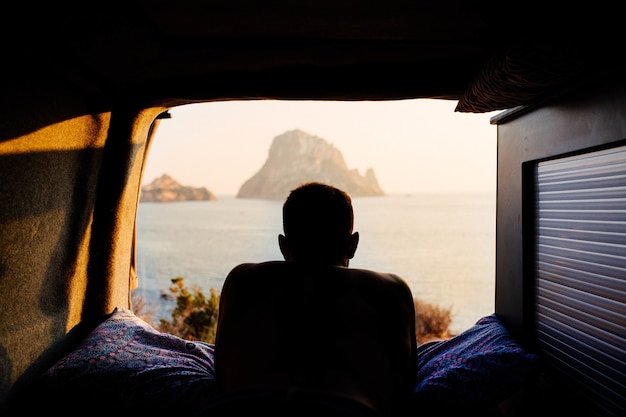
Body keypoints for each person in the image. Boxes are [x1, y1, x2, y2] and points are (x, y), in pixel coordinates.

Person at [210, 182, 418, 417]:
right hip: (351, 416)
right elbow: (406, 381)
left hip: (238, 414)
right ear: (353, 244)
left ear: (282, 245)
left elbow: (221, 370)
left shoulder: (242, 279)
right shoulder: (392, 288)